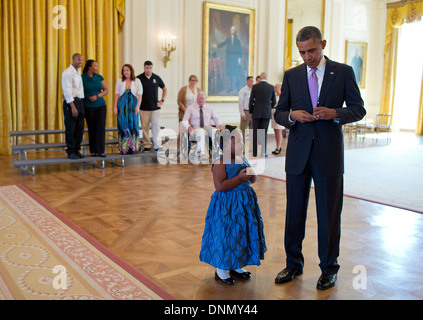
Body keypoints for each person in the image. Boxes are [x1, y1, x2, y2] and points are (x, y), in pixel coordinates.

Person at [274, 26, 366, 290]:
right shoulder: (291, 75)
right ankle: (293, 264)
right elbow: (279, 112)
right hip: (298, 155)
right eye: (302, 52)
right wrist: (292, 116)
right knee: (294, 213)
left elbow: (359, 109)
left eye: (312, 50)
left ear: (323, 44)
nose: (308, 57)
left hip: (329, 155)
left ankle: (329, 269)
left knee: (328, 216)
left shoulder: (343, 72)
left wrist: (335, 112)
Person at [199, 125, 267, 285]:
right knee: (227, 235)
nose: (242, 145)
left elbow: (253, 180)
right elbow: (220, 186)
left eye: (242, 141)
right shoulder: (220, 162)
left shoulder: (243, 159)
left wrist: (252, 174)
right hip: (227, 207)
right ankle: (221, 268)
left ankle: (237, 265)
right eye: (238, 142)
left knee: (241, 234)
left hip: (244, 205)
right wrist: (240, 178)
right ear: (226, 145)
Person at [137, 61, 167, 152]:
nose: (148, 70)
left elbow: (164, 88)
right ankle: (147, 145)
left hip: (155, 108)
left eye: (150, 68)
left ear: (152, 68)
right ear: (144, 68)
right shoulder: (139, 78)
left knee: (156, 127)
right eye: (147, 68)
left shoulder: (156, 78)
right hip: (143, 108)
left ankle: (157, 145)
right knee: (145, 127)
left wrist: (162, 100)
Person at [181, 92, 223, 157]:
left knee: (215, 131)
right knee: (201, 131)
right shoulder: (191, 108)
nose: (201, 100)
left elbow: (216, 118)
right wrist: (189, 127)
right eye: (199, 98)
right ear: (196, 99)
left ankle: (217, 150)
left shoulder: (210, 108)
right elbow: (184, 120)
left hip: (207, 126)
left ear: (205, 99)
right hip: (196, 127)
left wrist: (219, 124)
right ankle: (201, 151)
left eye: (202, 98)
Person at [81, 60, 109, 157]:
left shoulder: (99, 77)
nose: (97, 68)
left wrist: (97, 96)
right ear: (89, 67)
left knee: (100, 128)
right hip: (88, 106)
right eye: (95, 66)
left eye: (97, 66)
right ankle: (93, 150)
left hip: (100, 106)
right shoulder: (82, 78)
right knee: (92, 128)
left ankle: (101, 150)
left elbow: (106, 90)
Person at [114, 64, 143, 154]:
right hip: (122, 105)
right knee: (122, 125)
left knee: (133, 125)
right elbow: (116, 94)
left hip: (133, 106)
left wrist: (138, 106)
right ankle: (124, 148)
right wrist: (115, 106)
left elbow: (139, 95)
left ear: (131, 71)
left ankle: (133, 147)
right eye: (124, 70)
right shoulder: (119, 81)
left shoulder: (137, 81)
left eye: (127, 70)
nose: (125, 72)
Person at [62, 53, 85, 160]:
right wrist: (73, 107)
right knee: (71, 128)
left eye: (82, 60)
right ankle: (70, 150)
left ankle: (77, 149)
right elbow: (67, 91)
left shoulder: (78, 72)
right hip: (71, 102)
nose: (80, 62)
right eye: (79, 60)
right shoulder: (67, 73)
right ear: (73, 60)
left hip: (80, 101)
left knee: (79, 128)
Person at [249, 72, 276, 157]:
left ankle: (254, 152)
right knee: (264, 132)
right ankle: (263, 152)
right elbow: (274, 102)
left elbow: (251, 101)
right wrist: (269, 107)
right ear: (267, 78)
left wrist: (251, 111)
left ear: (260, 78)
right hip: (266, 113)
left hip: (256, 112)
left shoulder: (255, 87)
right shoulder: (271, 87)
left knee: (255, 132)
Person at [213, 26, 243, 94]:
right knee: (230, 74)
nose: (231, 31)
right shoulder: (228, 39)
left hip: (235, 59)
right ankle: (231, 87)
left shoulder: (237, 41)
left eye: (232, 30)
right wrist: (217, 46)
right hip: (229, 59)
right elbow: (223, 43)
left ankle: (238, 88)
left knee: (236, 74)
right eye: (231, 30)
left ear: (235, 31)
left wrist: (239, 59)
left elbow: (240, 50)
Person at [177, 76, 203, 153]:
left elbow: (201, 102)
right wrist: (186, 110)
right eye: (192, 80)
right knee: (182, 131)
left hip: (194, 115)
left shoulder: (199, 90)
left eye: (195, 80)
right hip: (184, 113)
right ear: (189, 81)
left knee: (192, 132)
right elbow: (179, 101)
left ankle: (191, 149)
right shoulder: (183, 89)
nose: (193, 82)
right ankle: (179, 148)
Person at [271, 83, 285, 155]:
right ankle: (277, 146)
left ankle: (278, 148)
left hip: (279, 113)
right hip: (273, 113)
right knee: (275, 130)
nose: (275, 88)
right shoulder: (274, 96)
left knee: (279, 130)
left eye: (276, 87)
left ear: (280, 88)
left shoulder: (283, 96)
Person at [238, 76, 254, 141]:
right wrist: (242, 113)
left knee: (252, 130)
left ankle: (251, 146)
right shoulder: (243, 90)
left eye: (253, 81)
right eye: (251, 81)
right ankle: (242, 145)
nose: (252, 82)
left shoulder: (254, 90)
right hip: (246, 112)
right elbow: (240, 103)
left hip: (253, 112)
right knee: (243, 130)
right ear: (247, 81)